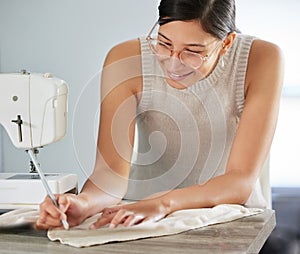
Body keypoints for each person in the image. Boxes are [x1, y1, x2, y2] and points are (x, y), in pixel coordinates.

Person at [36, 0, 284, 230]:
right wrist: (84, 204)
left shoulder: (261, 58)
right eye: (164, 43)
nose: (174, 64)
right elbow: (109, 173)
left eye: (193, 51)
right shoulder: (125, 58)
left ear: (227, 43)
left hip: (227, 218)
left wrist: (163, 203)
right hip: (139, 216)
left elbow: (239, 181)